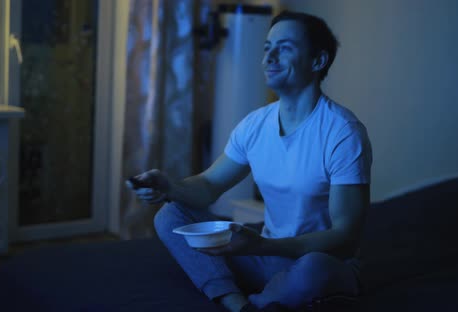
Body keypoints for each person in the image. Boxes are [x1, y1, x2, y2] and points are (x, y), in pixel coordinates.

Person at [126, 10, 372, 312]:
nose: (269, 57)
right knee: (171, 215)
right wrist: (169, 187)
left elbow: (345, 237)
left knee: (312, 271)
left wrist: (260, 245)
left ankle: (267, 300)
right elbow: (208, 185)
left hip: (322, 261)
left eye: (285, 48)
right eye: (267, 48)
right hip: (269, 257)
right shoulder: (255, 125)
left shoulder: (343, 133)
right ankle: (237, 302)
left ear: (318, 61)